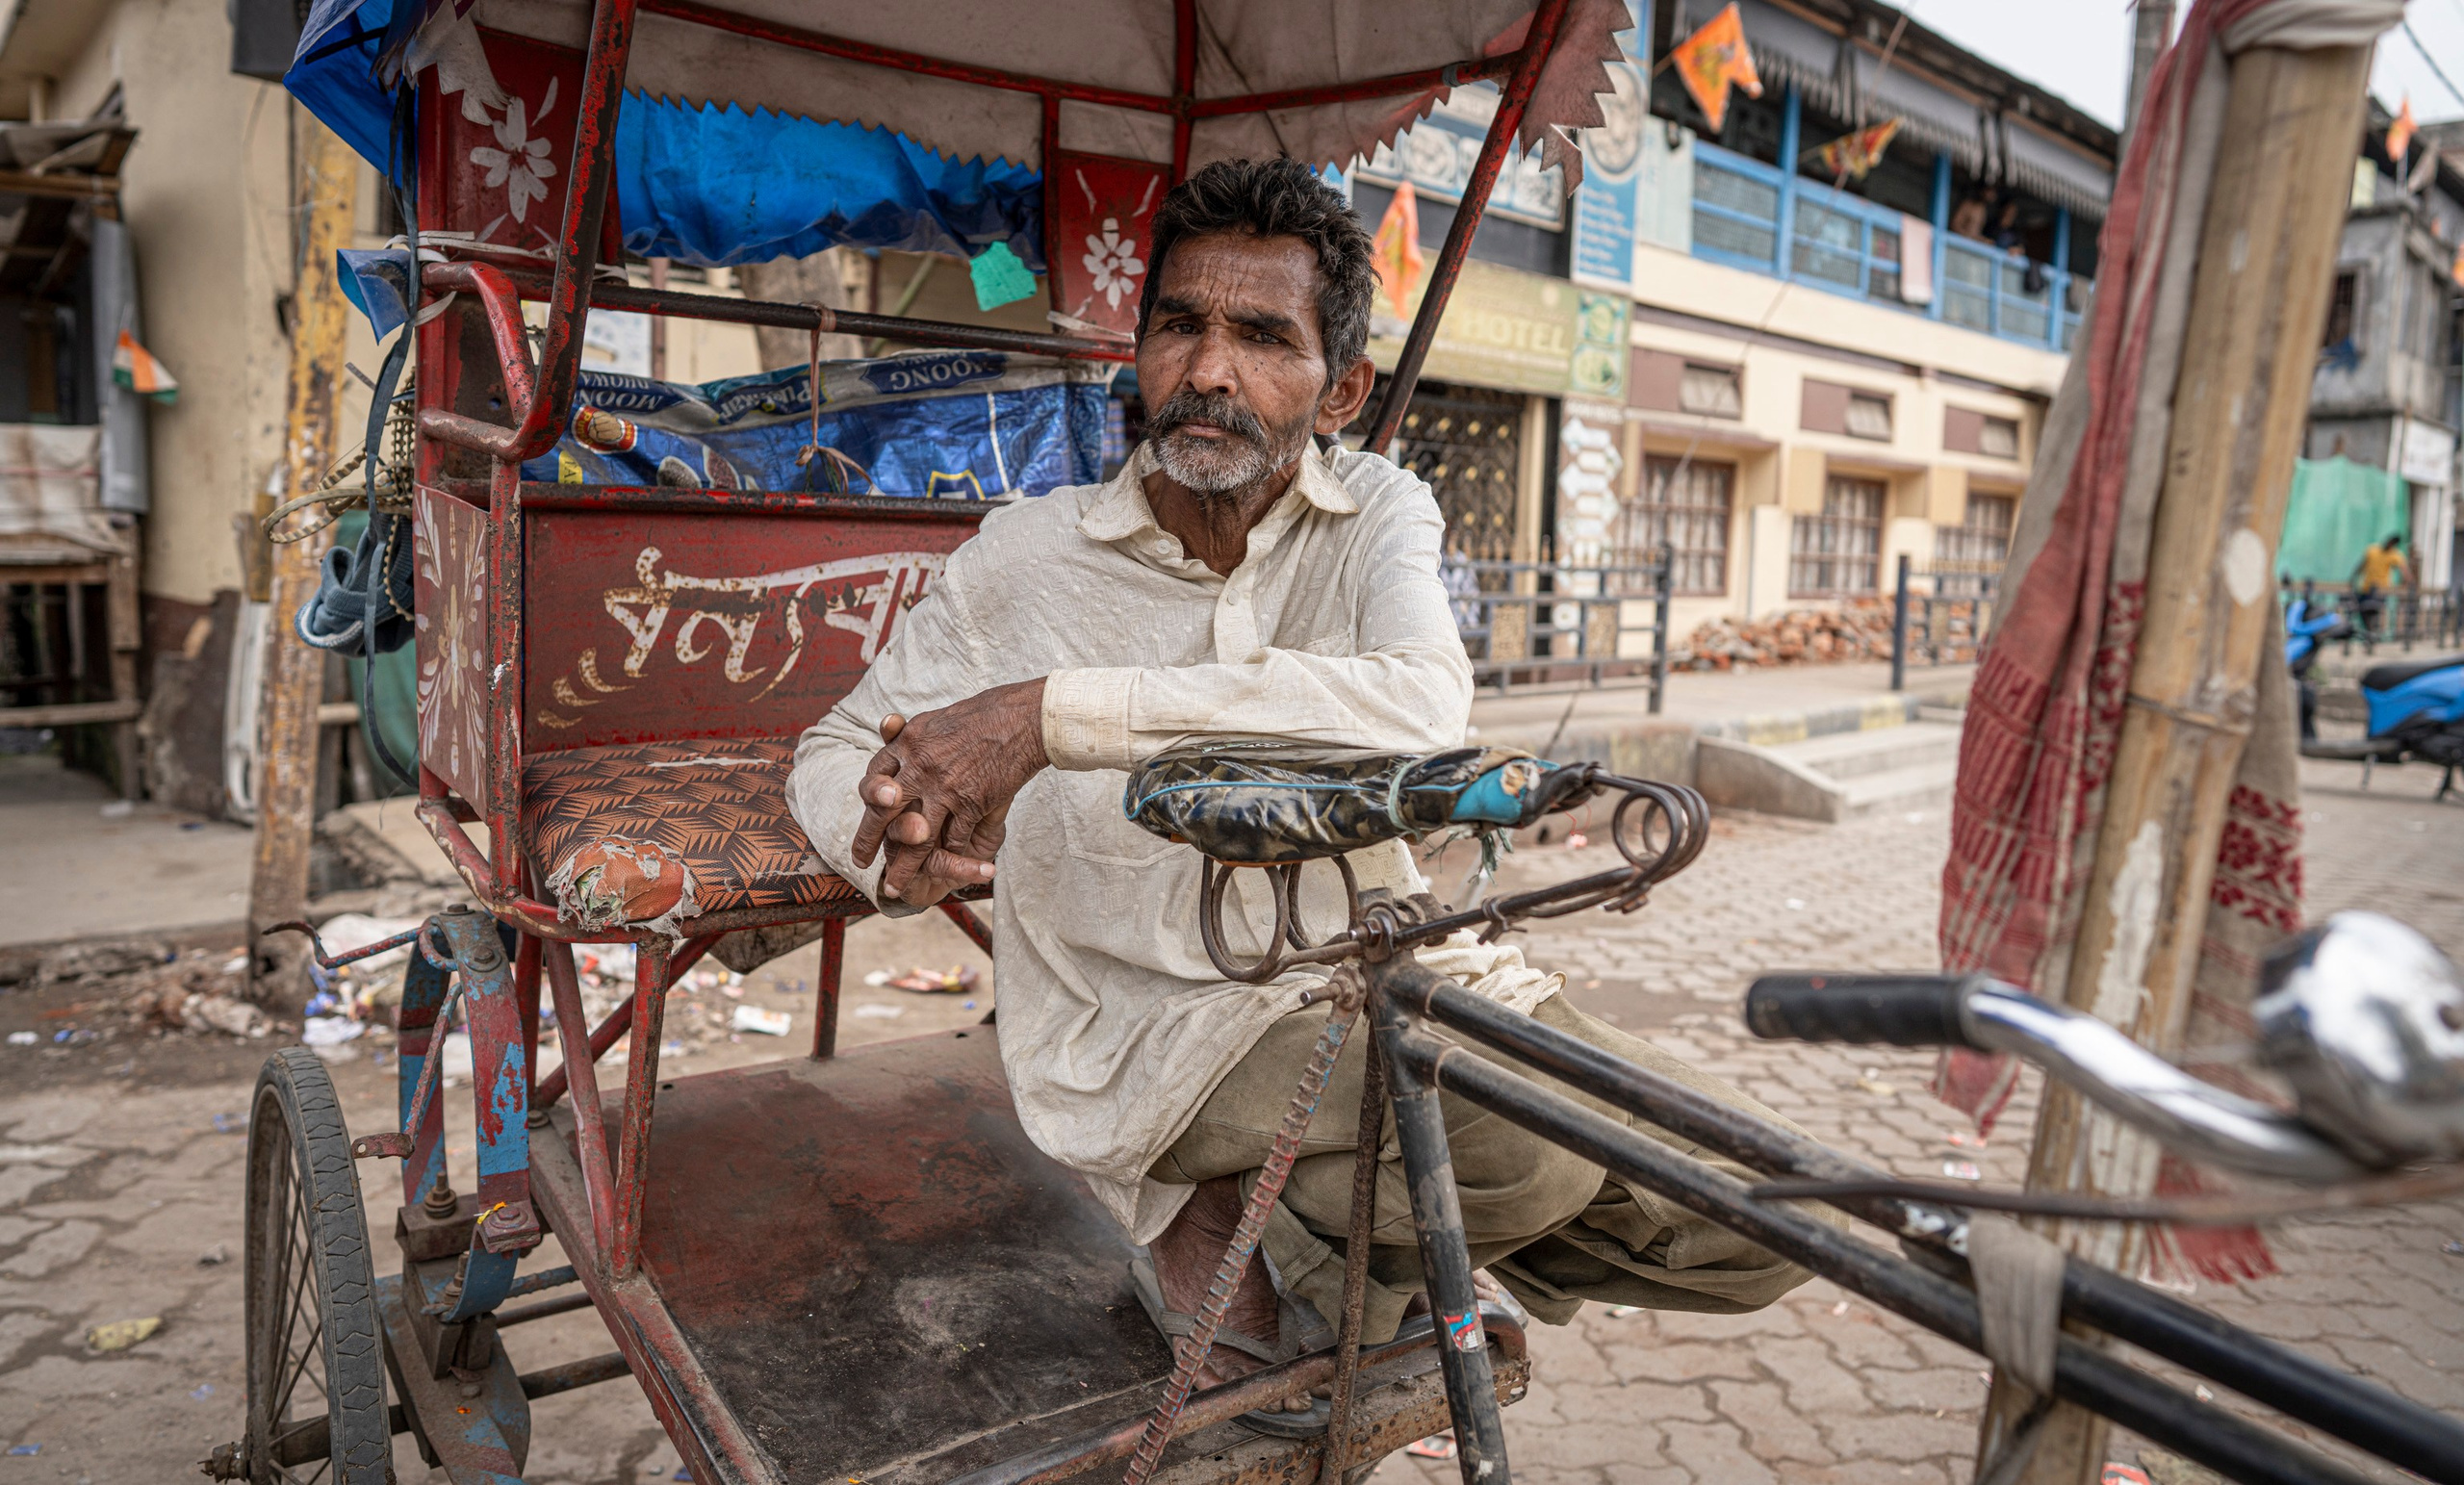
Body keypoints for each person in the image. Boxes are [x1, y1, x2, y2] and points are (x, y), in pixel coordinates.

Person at [788, 158, 1824, 1417]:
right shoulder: (1029, 556)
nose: (1210, 371)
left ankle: (1313, 1243)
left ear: (1341, 390)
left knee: (1774, 1219)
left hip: (1377, 965)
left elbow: (1419, 709)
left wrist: (1049, 716)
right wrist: (890, 841)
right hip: (1155, 1029)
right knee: (1529, 1146)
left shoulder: (1376, 510)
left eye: (1263, 338)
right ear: (1141, 352)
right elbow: (838, 750)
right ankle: (1267, 1227)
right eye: (1180, 326)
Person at [2351, 531, 2409, 646]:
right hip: (2366, 588)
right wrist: (2353, 577)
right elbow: (2362, 565)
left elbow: (2404, 570)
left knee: (2373, 611)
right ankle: (2370, 634)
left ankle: (2372, 635)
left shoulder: (2394, 555)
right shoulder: (2373, 550)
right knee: (2362, 611)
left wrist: (2406, 583)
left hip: (2380, 590)